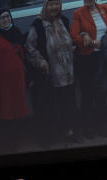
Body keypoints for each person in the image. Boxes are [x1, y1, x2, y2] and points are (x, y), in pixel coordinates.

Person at [26, 0, 81, 144]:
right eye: (51, 4)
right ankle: (50, 137)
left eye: (57, 4)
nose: (54, 7)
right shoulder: (38, 24)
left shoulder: (64, 20)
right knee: (50, 108)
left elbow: (71, 40)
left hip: (68, 72)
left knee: (69, 105)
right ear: (46, 6)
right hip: (49, 74)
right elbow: (30, 47)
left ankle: (71, 132)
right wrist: (41, 62)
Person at [69, 0, 107, 138]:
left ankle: (101, 126)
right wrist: (86, 40)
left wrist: (105, 41)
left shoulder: (105, 8)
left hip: (104, 56)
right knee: (88, 95)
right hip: (87, 59)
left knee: (102, 94)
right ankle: (88, 129)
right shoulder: (78, 13)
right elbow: (74, 35)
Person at [0, 9, 29, 140]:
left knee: (18, 110)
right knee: (3, 112)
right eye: (2, 18)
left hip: (18, 81)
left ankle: (17, 138)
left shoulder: (17, 32)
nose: (5, 19)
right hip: (1, 83)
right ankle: (5, 141)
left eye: (7, 17)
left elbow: (25, 56)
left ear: (11, 18)